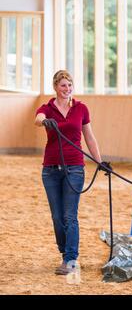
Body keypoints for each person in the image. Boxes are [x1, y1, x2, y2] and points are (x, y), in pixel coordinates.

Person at [34, 70, 111, 275]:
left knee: (69, 216)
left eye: (69, 85)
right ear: (55, 87)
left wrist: (100, 161)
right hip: (50, 170)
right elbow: (37, 118)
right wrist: (44, 121)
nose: (67, 89)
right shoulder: (47, 108)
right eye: (63, 86)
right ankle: (64, 253)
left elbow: (90, 137)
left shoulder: (81, 109)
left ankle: (70, 259)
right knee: (57, 217)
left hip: (75, 168)